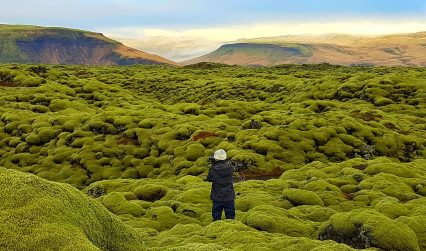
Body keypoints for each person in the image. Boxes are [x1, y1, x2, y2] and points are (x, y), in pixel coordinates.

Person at [207, 149, 236, 221]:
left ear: (215, 158)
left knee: (216, 217)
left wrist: (213, 165)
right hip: (229, 196)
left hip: (217, 197)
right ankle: (231, 229)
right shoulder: (231, 168)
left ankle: (216, 229)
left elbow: (209, 179)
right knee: (231, 217)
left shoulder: (213, 169)